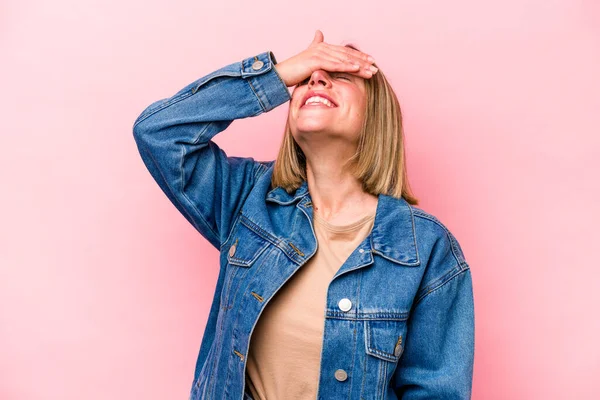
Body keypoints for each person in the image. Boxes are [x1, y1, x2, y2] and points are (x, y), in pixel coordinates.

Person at [133, 29, 475, 400]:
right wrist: (279, 74)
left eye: (339, 75)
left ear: (376, 115)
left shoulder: (426, 249)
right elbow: (159, 134)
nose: (316, 77)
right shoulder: (247, 199)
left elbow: (436, 392)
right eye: (308, 76)